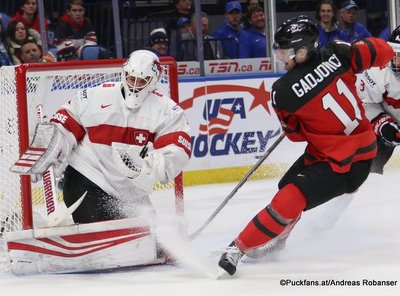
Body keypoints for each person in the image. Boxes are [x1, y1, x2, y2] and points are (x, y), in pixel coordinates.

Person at [217, 15, 394, 276]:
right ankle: (277, 240)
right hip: (359, 152)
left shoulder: (283, 90)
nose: (280, 56)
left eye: (283, 51)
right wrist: (351, 51)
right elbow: (384, 51)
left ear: (301, 51)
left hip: (341, 164)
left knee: (290, 198)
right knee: (285, 186)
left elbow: (295, 135)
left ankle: (238, 248)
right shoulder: (337, 51)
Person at [22, 49, 191, 224]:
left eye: (142, 80)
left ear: (153, 81)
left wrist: (147, 167)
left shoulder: (168, 112)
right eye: (131, 78)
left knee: (153, 240)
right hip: (87, 178)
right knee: (105, 237)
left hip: (131, 192)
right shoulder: (95, 96)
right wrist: (51, 145)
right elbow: (65, 124)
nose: (134, 84)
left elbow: (176, 152)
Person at [356, 26, 400, 174]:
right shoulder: (379, 71)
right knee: (368, 172)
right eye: (395, 52)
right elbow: (364, 102)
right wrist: (383, 124)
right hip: (389, 124)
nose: (396, 59)